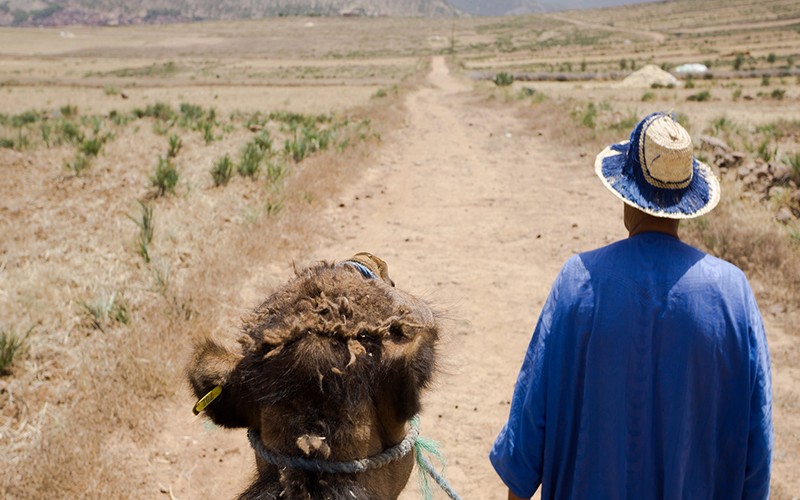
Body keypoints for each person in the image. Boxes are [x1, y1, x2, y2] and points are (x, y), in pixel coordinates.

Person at [489, 112, 773, 499]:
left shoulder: (578, 281)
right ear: (687, 201)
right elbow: (757, 451)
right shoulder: (733, 293)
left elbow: (527, 436)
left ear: (625, 195)